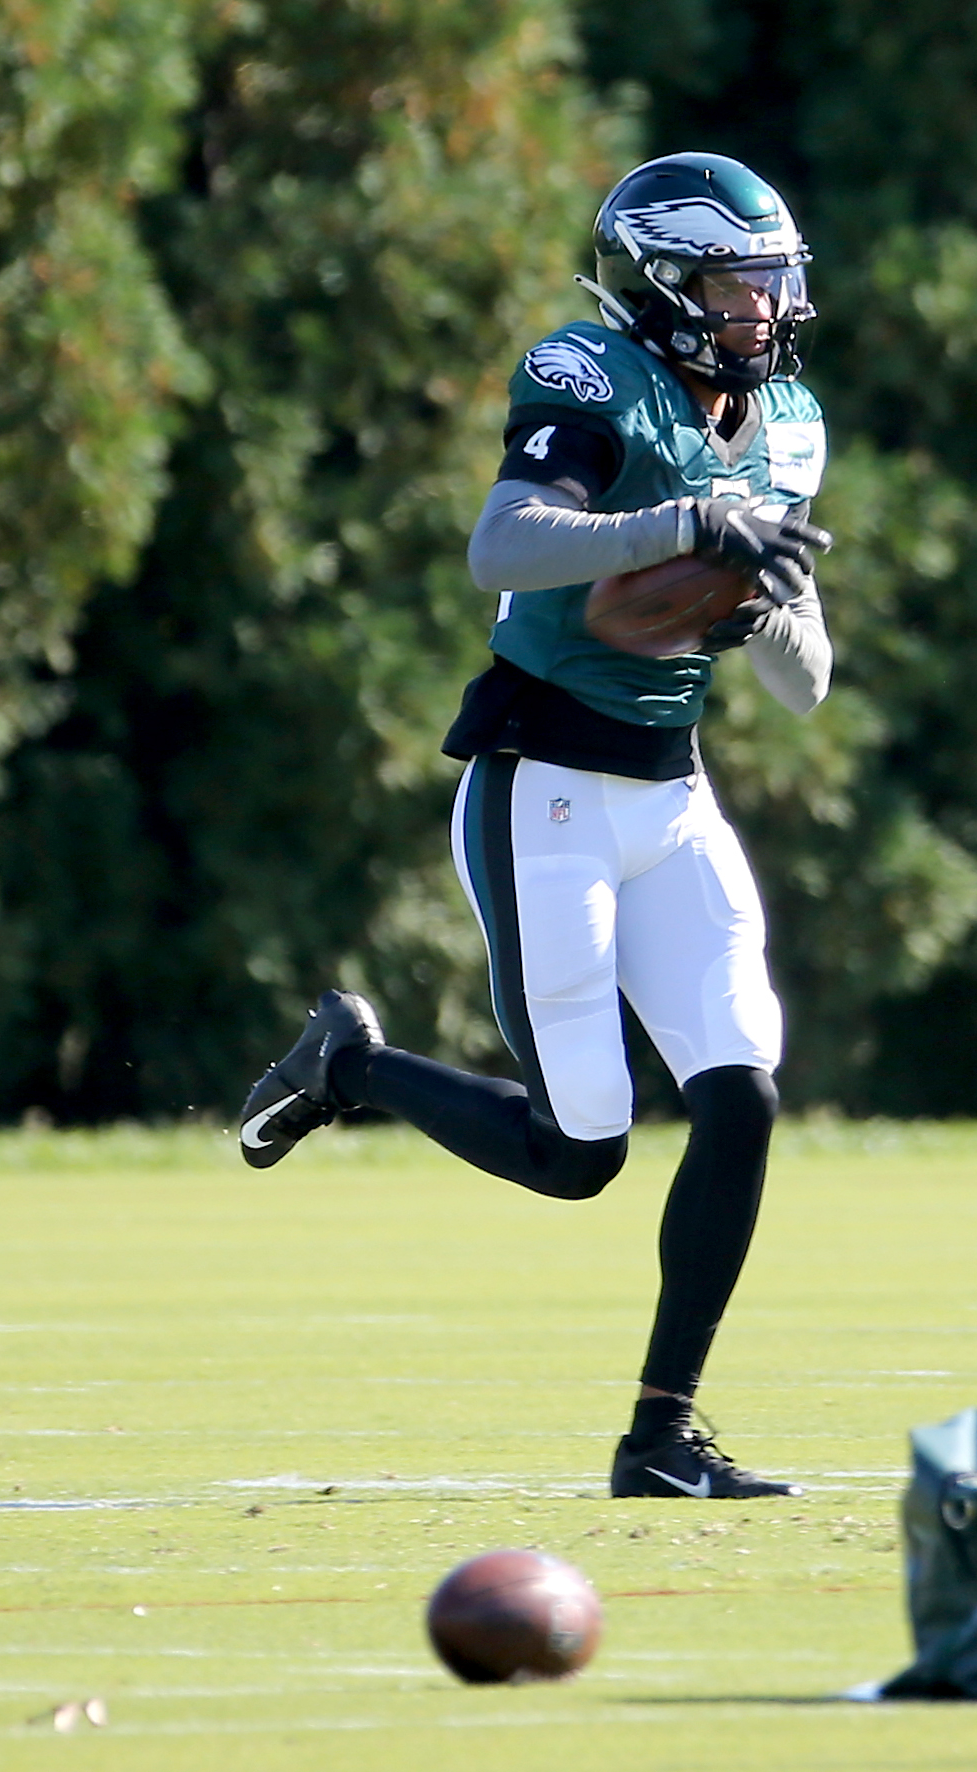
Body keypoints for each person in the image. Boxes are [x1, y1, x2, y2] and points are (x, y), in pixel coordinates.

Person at [236, 153, 833, 1501]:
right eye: (742, 286)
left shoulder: (786, 423)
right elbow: (500, 551)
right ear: (669, 285)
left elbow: (806, 688)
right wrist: (686, 520)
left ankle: (660, 1434)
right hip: (541, 789)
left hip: (672, 796)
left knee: (741, 1092)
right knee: (580, 1155)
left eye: (771, 285)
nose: (764, 311)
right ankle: (351, 1069)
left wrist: (763, 601)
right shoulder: (586, 372)